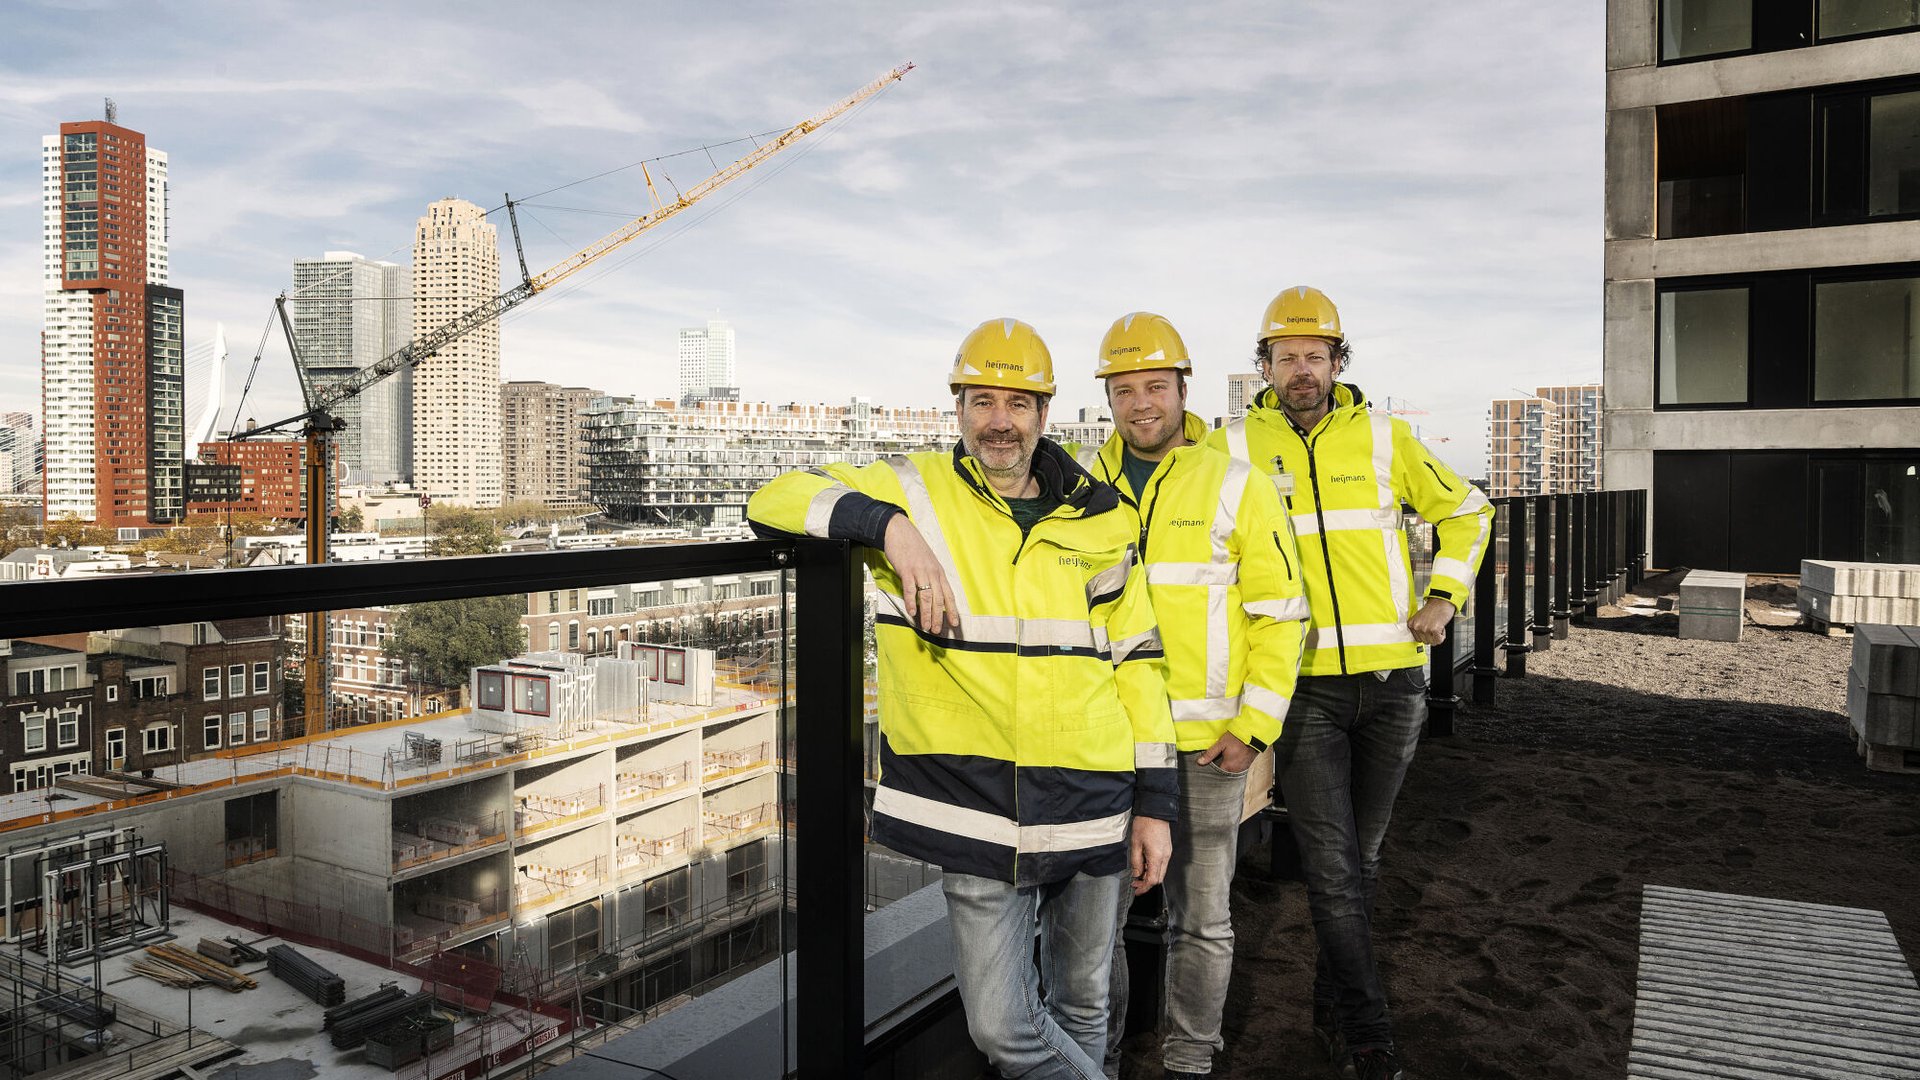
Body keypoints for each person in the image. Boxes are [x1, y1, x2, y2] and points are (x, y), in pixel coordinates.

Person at [747, 317, 1178, 1080]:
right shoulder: (911, 490)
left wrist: (1155, 803)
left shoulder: (1104, 515)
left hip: (1096, 794)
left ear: (1045, 413)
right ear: (958, 408)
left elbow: (1138, 662)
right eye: (982, 401)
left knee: (1085, 1004)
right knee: (1003, 1028)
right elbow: (773, 498)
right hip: (976, 807)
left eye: (1017, 403)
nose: (999, 421)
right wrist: (890, 530)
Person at [1207, 287, 1494, 1080]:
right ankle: (1370, 1038)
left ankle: (1330, 1013)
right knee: (1335, 871)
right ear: (1262, 366)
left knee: (1358, 867)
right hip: (1299, 690)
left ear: (1338, 362)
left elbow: (1470, 511)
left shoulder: (1384, 436)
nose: (1301, 370)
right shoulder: (1229, 447)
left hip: (1394, 684)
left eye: (1315, 355)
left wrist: (1447, 597)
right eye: (1285, 357)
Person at [1079, 313, 1309, 1080]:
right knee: (1094, 926)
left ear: (1183, 390)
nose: (1141, 402)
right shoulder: (1080, 491)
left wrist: (1254, 728)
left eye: (1155, 385)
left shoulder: (1234, 483)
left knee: (1201, 922)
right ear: (1107, 397)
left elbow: (1281, 614)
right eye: (1124, 389)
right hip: (1107, 742)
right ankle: (1095, 1063)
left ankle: (1187, 1064)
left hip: (1208, 746)